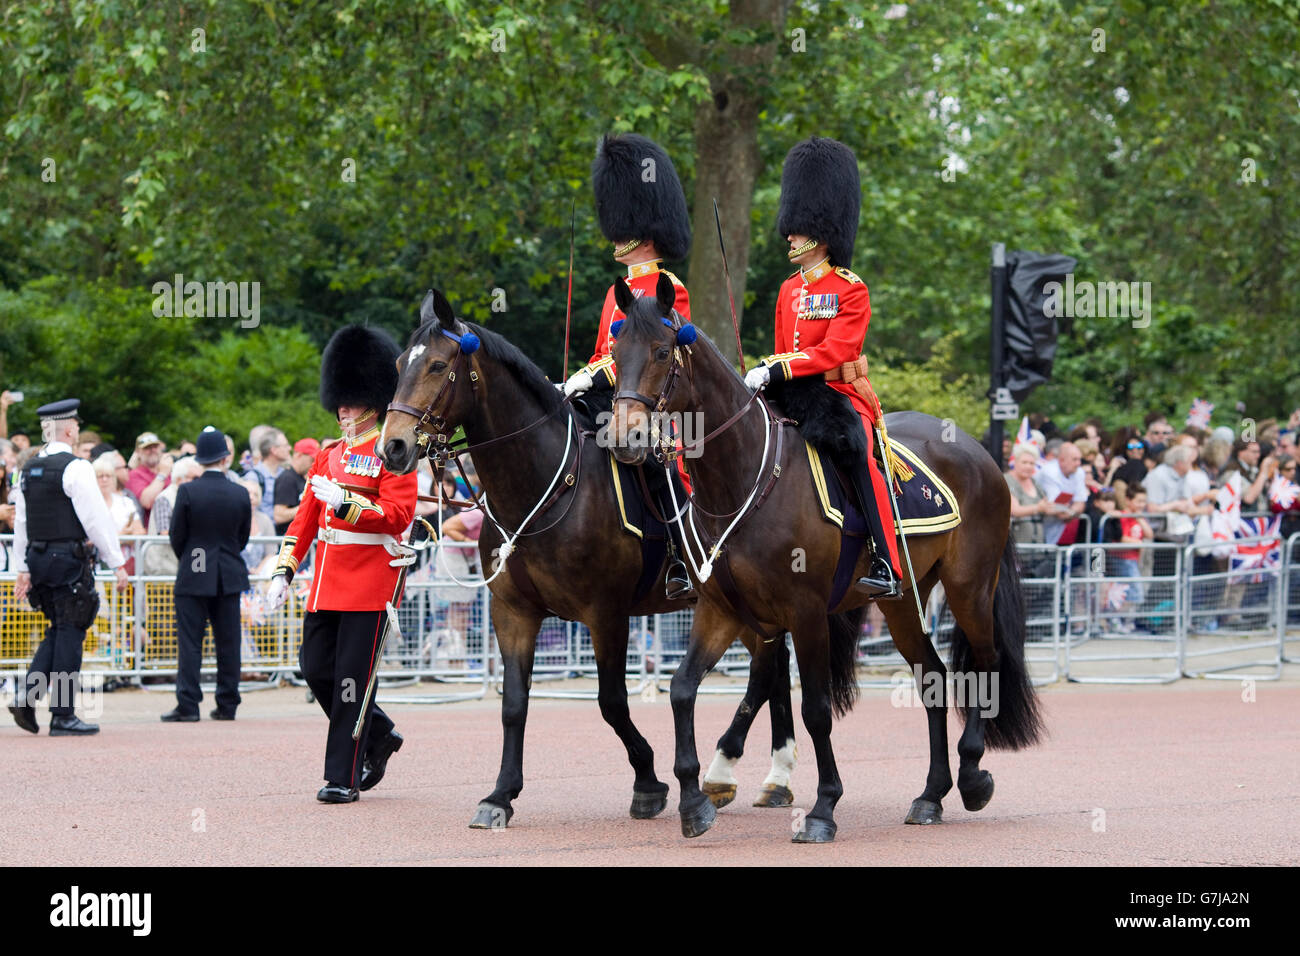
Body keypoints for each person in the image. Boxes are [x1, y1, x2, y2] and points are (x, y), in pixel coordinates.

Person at [744, 135, 902, 598]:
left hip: (838, 393)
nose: (789, 233)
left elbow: (836, 351)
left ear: (821, 227)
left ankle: (886, 561)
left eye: (797, 227)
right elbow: (782, 348)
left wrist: (780, 369)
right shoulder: (789, 289)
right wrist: (768, 372)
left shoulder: (851, 288)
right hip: (794, 392)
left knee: (858, 452)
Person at [266, 325, 418, 803]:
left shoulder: (393, 453)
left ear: (372, 402)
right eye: (341, 403)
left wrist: (349, 503)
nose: (343, 411)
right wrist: (283, 570)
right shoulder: (329, 456)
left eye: (350, 404)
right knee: (315, 670)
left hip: (372, 583)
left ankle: (342, 777)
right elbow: (304, 523)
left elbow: (398, 516)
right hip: (327, 585)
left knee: (351, 683)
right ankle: (379, 735)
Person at [561, 132, 696, 600]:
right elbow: (605, 352)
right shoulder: (615, 291)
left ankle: (683, 557)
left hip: (652, 401)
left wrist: (593, 376)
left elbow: (658, 357)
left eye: (623, 227)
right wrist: (578, 380)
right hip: (610, 396)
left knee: (664, 461)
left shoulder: (667, 288)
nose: (616, 236)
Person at [9, 399, 128, 736]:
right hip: (67, 561)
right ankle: (62, 714)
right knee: (71, 631)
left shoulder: (28, 470)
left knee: (60, 629)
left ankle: (27, 697)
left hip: (39, 558)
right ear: (71, 429)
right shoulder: (76, 467)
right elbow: (97, 520)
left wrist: (23, 568)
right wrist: (117, 562)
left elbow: (22, 522)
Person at [163, 427, 251, 722]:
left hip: (194, 570)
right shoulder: (239, 492)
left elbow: (178, 536)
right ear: (225, 458)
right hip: (228, 571)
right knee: (229, 641)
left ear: (200, 459)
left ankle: (188, 704)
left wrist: (193, 561)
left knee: (190, 642)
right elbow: (242, 537)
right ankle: (228, 703)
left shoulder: (188, 491)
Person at [1037, 441, 1089, 545]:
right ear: (1061, 460)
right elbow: (1057, 508)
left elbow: (1081, 503)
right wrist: (1072, 511)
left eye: (1079, 459)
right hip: (1039, 526)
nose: (1079, 463)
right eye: (1075, 460)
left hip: (1057, 529)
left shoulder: (1079, 472)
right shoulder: (1049, 472)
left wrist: (1070, 512)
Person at [1005, 442, 1050, 545]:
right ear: (1015, 462)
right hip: (1017, 545)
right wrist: (1038, 508)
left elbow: (1045, 505)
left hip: (1039, 546)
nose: (1028, 466)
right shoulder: (1007, 480)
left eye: (1031, 463)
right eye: (1024, 462)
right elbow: (1014, 510)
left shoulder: (1035, 483)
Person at [273, 438, 318, 534]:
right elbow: (279, 515)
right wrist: (309, 507)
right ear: (299, 455)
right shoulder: (287, 479)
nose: (314, 463)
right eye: (312, 459)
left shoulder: (301, 478)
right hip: (290, 540)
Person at [126, 432, 172, 527]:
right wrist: (162, 474)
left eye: (155, 446)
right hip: (152, 533)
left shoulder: (170, 470)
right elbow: (147, 502)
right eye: (147, 448)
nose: (152, 450)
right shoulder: (134, 474)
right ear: (138, 452)